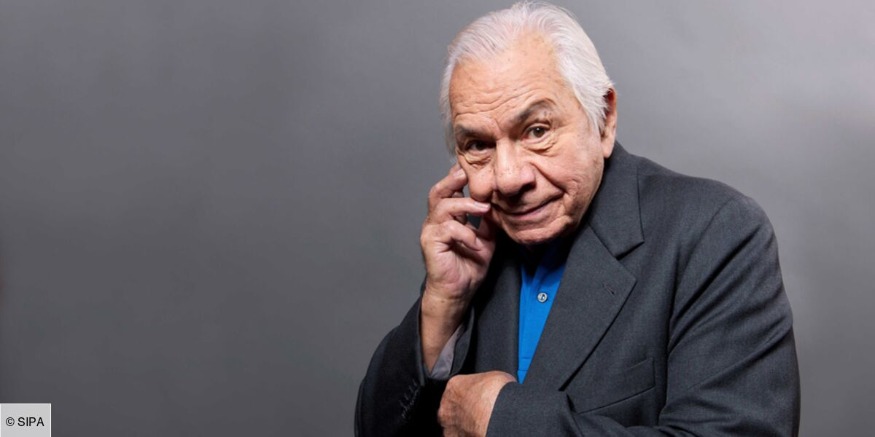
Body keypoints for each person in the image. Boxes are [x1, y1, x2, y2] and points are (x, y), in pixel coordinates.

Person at [355, 2, 800, 436]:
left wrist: (502, 420)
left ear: (604, 120)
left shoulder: (716, 233)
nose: (507, 178)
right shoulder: (471, 251)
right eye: (478, 146)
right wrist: (441, 305)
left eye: (537, 131)